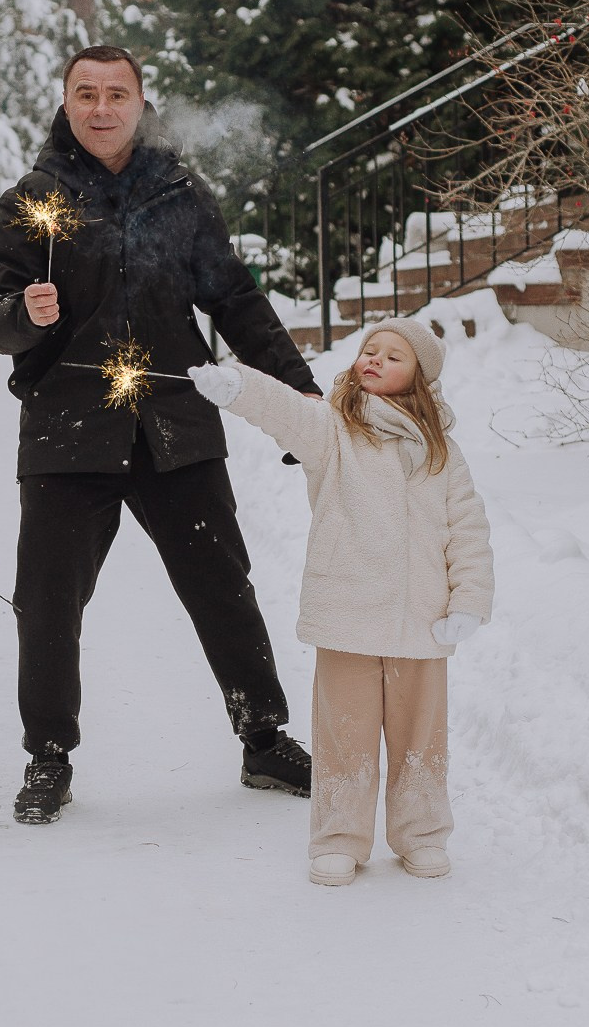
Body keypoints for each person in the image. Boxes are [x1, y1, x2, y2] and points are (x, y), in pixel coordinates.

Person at [0, 45, 318, 824]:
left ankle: (263, 739)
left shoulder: (179, 194)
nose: (101, 108)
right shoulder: (31, 200)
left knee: (223, 587)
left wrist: (298, 393)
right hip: (68, 430)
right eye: (85, 93)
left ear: (139, 101)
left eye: (115, 93)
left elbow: (234, 299)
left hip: (175, 423)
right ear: (65, 102)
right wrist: (20, 315)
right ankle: (48, 756)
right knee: (47, 603)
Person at [188, 316, 494, 885]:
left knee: (420, 739)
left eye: (393, 356)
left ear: (419, 378)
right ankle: (338, 838)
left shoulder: (441, 453)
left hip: (421, 621)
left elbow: (467, 528)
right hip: (347, 616)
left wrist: (468, 600)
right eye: (370, 349)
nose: (375, 358)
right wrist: (240, 386)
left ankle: (422, 834)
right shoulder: (333, 430)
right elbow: (286, 411)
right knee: (344, 737)